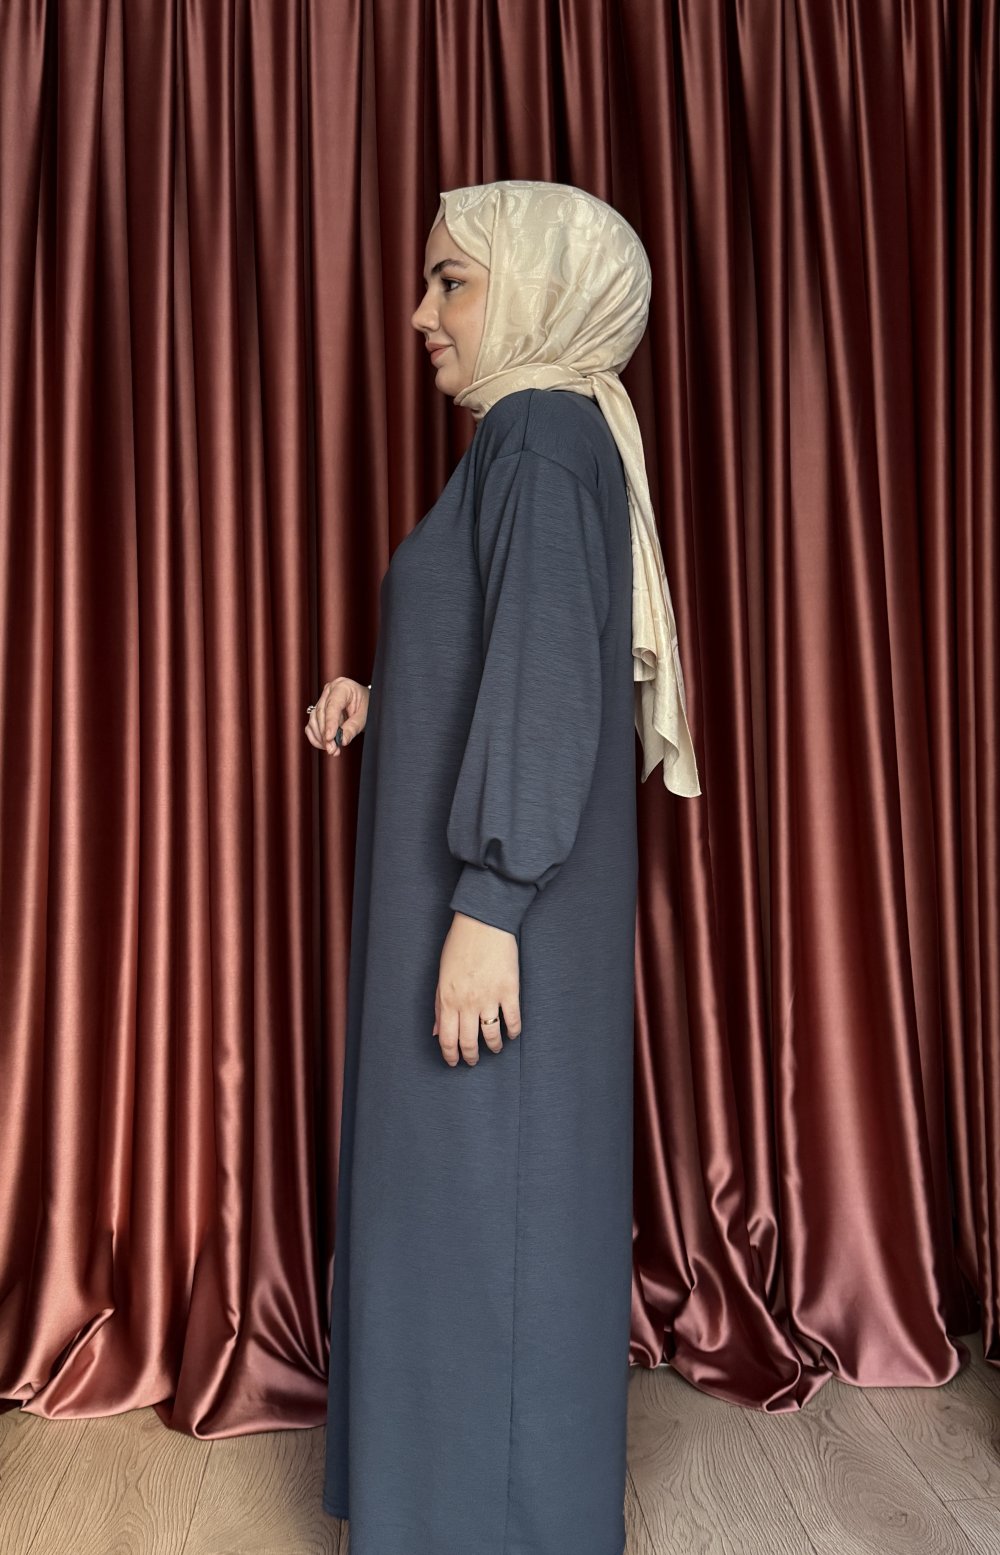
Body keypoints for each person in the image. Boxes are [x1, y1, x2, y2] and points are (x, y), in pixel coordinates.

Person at [305, 179, 700, 1555]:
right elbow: (509, 646)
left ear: (537, 289)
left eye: (451, 282)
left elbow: (545, 684)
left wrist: (489, 904)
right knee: (465, 1214)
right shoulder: (533, 442)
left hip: (492, 913)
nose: (422, 313)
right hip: (485, 898)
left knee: (487, 1216)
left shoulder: (538, 433)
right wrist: (384, 694)